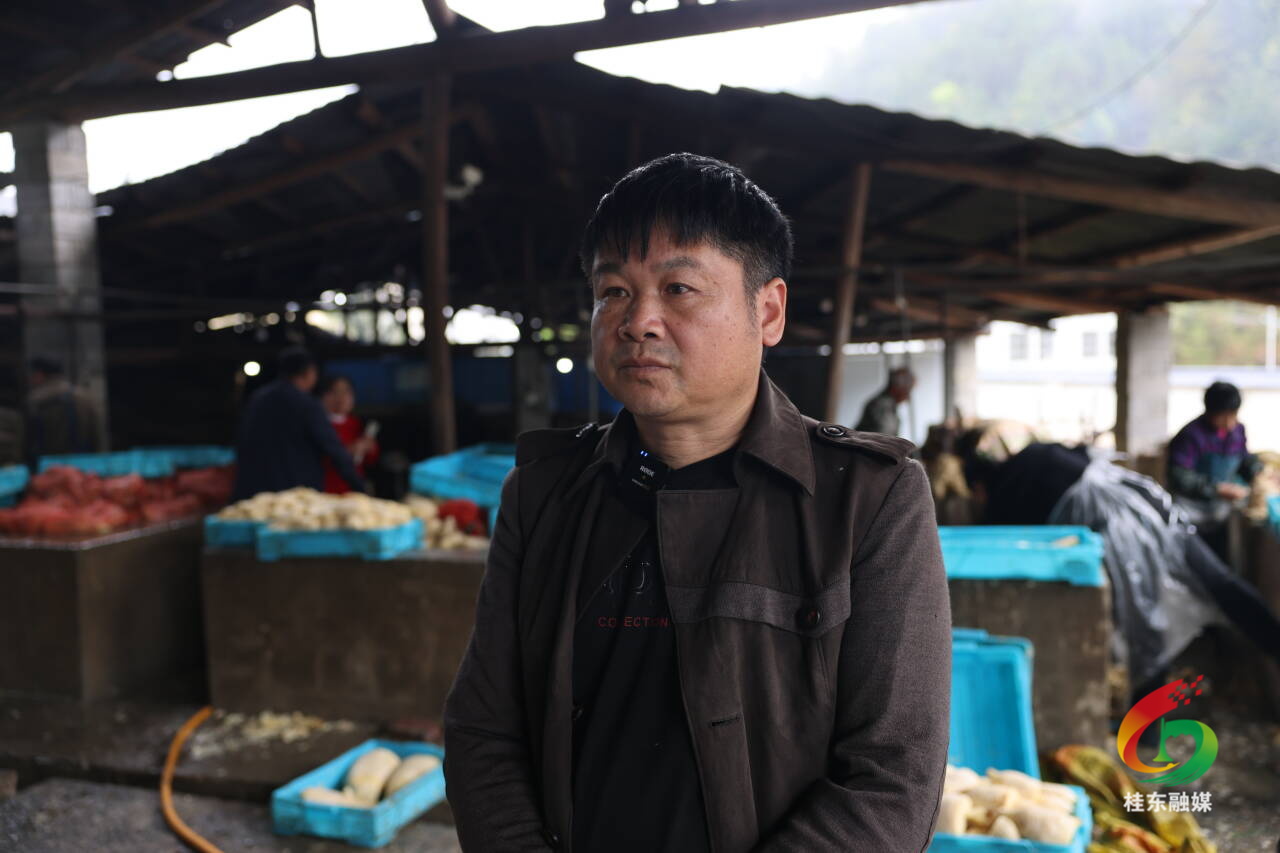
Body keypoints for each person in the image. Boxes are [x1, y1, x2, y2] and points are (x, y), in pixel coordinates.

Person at [444, 153, 951, 853]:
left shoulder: (867, 497)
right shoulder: (543, 491)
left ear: (767, 311)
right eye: (613, 291)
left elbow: (892, 778)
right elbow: (483, 730)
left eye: (678, 288)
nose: (638, 321)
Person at [231, 347, 365, 500]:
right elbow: (333, 448)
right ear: (310, 373)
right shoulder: (307, 404)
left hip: (254, 490)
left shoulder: (257, 399)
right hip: (295, 492)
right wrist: (359, 487)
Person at [1166, 381, 1261, 557]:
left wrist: (1256, 470)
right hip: (1191, 512)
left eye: (1233, 415)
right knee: (1193, 560)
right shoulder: (1191, 436)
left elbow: (1243, 459)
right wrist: (1217, 489)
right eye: (1224, 416)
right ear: (1210, 412)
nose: (1230, 423)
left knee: (1222, 556)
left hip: (1220, 512)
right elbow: (1178, 476)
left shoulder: (1237, 432)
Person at [26, 357, 105, 460]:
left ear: (39, 375)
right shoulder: (85, 397)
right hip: (84, 463)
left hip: (49, 465)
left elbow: (28, 441)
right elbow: (97, 436)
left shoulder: (36, 400)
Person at [315, 375, 379, 495]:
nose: (341, 397)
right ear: (322, 396)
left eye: (346, 392)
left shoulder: (356, 424)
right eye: (335, 392)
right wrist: (348, 451)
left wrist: (369, 447)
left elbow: (369, 461)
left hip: (354, 488)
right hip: (327, 488)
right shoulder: (318, 425)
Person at [855, 365, 915, 436]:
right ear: (896, 388)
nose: (908, 397)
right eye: (907, 390)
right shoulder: (881, 405)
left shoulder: (889, 405)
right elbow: (883, 436)